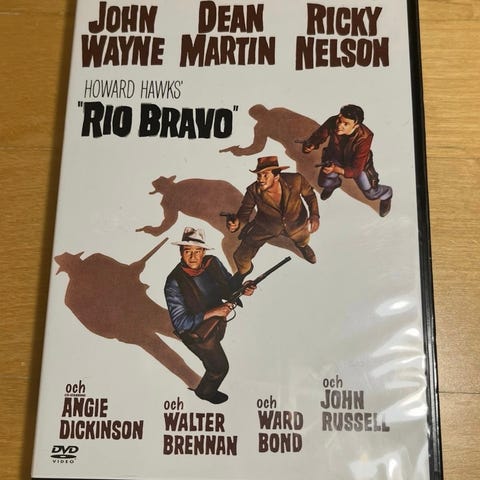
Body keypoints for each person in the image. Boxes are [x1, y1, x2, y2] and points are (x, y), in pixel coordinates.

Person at [164, 227, 255, 404]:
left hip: (216, 324)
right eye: (188, 251)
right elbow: (180, 323)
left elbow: (229, 286)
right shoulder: (174, 282)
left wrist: (243, 287)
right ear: (181, 252)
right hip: (197, 333)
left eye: (197, 251)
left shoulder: (212, 263)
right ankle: (204, 393)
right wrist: (214, 312)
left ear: (204, 252)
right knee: (219, 368)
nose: (193, 257)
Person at [227, 156, 319, 275]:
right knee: (240, 256)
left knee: (302, 239)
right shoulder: (253, 190)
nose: (261, 179)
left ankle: (303, 246)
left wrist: (314, 215)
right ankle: (243, 273)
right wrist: (237, 223)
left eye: (265, 175)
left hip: (296, 223)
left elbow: (310, 196)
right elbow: (245, 211)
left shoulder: (296, 180)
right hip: (266, 225)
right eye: (259, 175)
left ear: (276, 176)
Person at [302, 104, 393, 217]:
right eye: (339, 120)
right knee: (324, 183)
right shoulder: (333, 121)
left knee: (370, 193)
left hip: (358, 165)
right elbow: (319, 135)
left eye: (346, 124)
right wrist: (311, 145)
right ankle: (334, 184)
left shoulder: (365, 136)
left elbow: (356, 170)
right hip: (335, 157)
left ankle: (387, 194)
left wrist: (336, 169)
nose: (339, 125)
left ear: (356, 125)